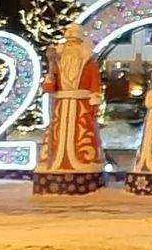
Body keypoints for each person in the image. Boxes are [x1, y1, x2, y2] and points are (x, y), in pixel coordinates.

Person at [34, 24, 104, 191]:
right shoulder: (57, 63)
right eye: (68, 43)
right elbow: (49, 87)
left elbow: (95, 85)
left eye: (75, 43)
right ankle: (54, 163)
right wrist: (51, 67)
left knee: (82, 137)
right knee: (57, 138)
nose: (71, 47)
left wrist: (94, 103)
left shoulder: (89, 63)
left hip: (81, 106)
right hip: (62, 107)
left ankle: (85, 163)